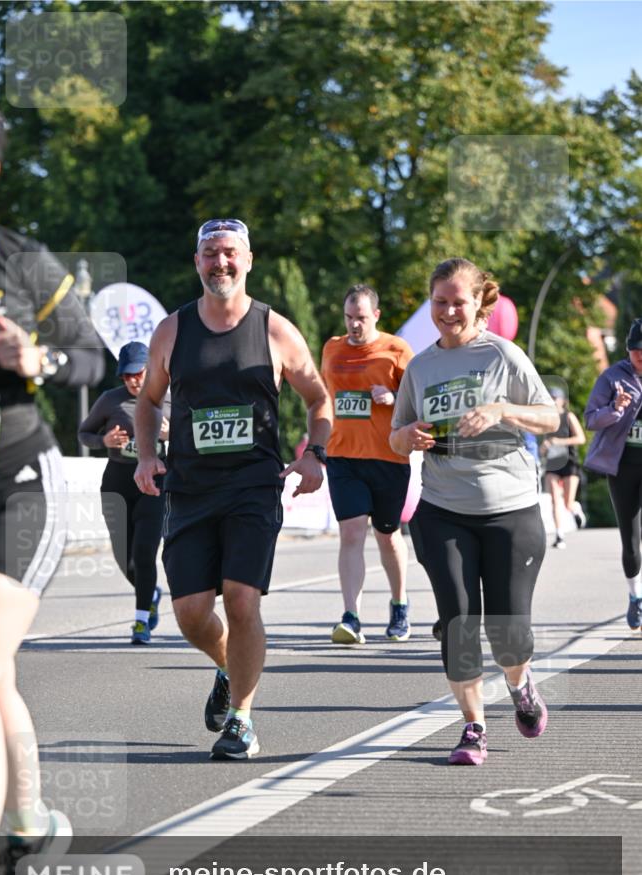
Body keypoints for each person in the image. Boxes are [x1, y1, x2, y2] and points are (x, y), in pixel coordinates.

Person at [0, 101, 104, 875]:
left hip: (15, 486)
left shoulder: (21, 263)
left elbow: (94, 353)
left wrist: (40, 357)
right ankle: (29, 824)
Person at [134, 218, 332, 760]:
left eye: (229, 253)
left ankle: (242, 720)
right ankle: (228, 668)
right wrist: (147, 455)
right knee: (191, 615)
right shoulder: (172, 330)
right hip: (190, 489)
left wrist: (314, 453)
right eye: (209, 254)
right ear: (196, 262)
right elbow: (148, 400)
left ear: (247, 260)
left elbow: (318, 398)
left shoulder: (275, 329)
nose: (219, 263)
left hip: (252, 485)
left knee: (243, 600)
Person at [389, 257, 559, 766]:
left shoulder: (503, 355)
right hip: (443, 508)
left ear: (478, 302)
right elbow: (395, 436)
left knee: (508, 636)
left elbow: (550, 417)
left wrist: (503, 410)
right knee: (458, 622)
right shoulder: (420, 367)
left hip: (510, 509)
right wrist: (408, 435)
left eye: (457, 302)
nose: (447, 312)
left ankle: (520, 684)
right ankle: (473, 727)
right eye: (439, 302)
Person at [321, 284, 414, 644]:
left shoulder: (397, 349)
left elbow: (418, 401)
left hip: (388, 456)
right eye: (348, 317)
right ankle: (351, 617)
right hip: (343, 455)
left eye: (360, 317)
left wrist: (394, 397)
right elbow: (324, 398)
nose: (354, 325)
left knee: (387, 535)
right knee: (351, 532)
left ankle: (399, 605)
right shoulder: (332, 348)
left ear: (376, 315)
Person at [78, 341, 170, 643]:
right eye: (126, 376)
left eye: (137, 373)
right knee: (125, 560)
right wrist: (103, 441)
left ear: (150, 369)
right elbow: (84, 433)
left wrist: (172, 433)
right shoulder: (110, 400)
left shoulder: (170, 398)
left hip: (154, 485)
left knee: (144, 554)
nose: (132, 380)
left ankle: (141, 621)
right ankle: (150, 593)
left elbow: (193, 439)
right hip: (117, 485)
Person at [584, 318, 642, 630]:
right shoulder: (612, 377)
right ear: (628, 350)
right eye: (636, 350)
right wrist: (615, 409)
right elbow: (591, 419)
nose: (641, 356)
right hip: (622, 467)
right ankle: (636, 597)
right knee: (630, 541)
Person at [540, 386, 586, 549]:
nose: (552, 401)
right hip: (553, 463)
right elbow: (544, 443)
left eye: (555, 398)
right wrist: (544, 447)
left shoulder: (568, 417)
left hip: (569, 462)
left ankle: (575, 509)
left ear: (562, 401)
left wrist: (559, 442)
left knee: (567, 503)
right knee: (554, 499)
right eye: (550, 398)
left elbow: (581, 438)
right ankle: (559, 535)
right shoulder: (546, 420)